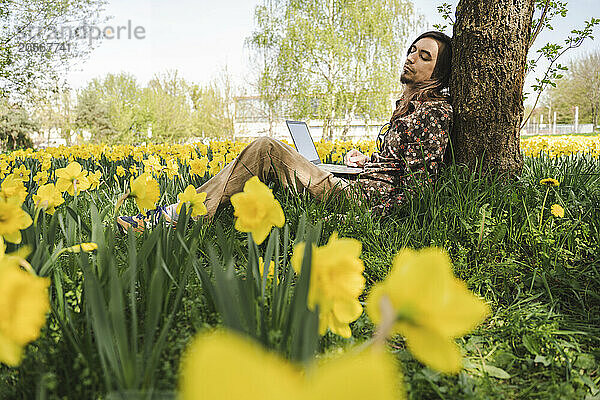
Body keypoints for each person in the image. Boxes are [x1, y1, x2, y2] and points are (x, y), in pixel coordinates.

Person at [117, 30, 453, 233]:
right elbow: (396, 164)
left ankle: (177, 216)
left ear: (438, 71)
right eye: (412, 50)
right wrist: (366, 161)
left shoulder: (433, 112)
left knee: (265, 148)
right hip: (357, 183)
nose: (412, 58)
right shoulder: (412, 105)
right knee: (265, 152)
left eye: (425, 57)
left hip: (358, 199)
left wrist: (372, 211)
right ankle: (181, 213)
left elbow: (420, 184)